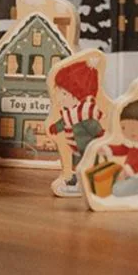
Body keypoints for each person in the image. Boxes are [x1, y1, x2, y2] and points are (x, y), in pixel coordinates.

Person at [48, 57, 106, 195]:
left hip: (86, 148)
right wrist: (56, 127)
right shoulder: (70, 113)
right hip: (76, 148)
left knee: (85, 165)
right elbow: (64, 121)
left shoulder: (83, 115)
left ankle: (85, 183)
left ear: (76, 96)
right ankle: (76, 180)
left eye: (64, 93)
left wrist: (101, 136)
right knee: (76, 164)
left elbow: (94, 127)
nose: (59, 97)